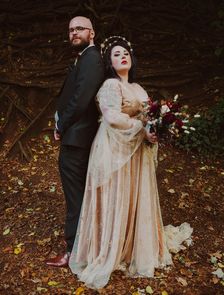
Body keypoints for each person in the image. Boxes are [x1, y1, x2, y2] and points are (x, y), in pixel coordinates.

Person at [69, 36, 193, 288]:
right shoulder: (110, 86)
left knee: (133, 195)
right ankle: (111, 247)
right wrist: (142, 127)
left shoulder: (138, 89)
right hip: (113, 148)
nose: (122, 56)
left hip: (136, 149)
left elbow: (148, 115)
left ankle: (131, 245)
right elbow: (113, 117)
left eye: (125, 52)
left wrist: (156, 128)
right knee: (117, 194)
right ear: (109, 62)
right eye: (116, 54)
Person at [46, 16, 104, 267]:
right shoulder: (85, 57)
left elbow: (81, 99)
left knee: (75, 197)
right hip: (77, 137)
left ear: (92, 33)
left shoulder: (92, 59)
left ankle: (74, 251)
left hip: (78, 139)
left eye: (79, 28)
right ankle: (84, 247)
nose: (74, 33)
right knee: (78, 194)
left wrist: (61, 124)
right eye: (70, 29)